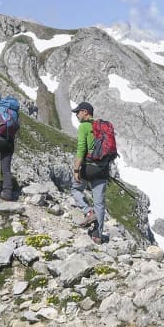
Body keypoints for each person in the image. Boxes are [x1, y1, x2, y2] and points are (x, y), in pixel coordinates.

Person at [71, 102, 108, 244]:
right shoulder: (103, 127)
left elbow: (81, 149)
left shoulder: (84, 126)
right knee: (99, 203)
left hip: (89, 167)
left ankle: (88, 212)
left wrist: (76, 169)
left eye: (78, 112)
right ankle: (98, 235)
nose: (76, 115)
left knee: (75, 188)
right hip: (103, 169)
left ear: (85, 112)